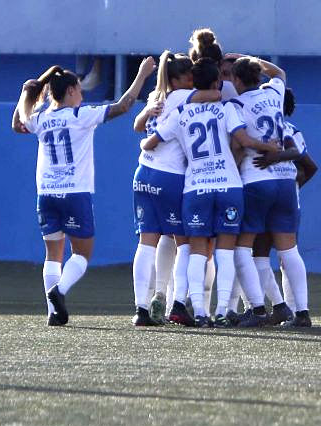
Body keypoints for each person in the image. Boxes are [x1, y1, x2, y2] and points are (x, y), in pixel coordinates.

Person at [15, 57, 156, 326]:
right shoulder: (81, 115)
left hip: (46, 194)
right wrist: (141, 75)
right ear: (70, 91)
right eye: (79, 89)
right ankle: (59, 292)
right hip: (75, 193)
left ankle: (53, 313)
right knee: (81, 254)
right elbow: (123, 106)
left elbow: (17, 124)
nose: (82, 94)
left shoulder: (42, 118)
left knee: (52, 254)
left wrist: (26, 95)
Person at [141, 58, 279, 327]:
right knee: (225, 252)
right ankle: (222, 311)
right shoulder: (226, 108)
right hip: (228, 185)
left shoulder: (180, 113)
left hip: (196, 189)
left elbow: (149, 143)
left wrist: (148, 122)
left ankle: (201, 314)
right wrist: (270, 147)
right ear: (217, 82)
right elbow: (243, 141)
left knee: (196, 252)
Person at [131, 51, 220, 326]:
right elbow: (215, 95)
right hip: (170, 177)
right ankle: (177, 304)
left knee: (146, 242)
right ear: (179, 78)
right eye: (189, 76)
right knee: (185, 243)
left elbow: (137, 127)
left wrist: (148, 110)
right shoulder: (182, 96)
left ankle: (141, 309)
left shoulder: (155, 97)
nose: (193, 80)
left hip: (143, 172)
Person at [226, 55, 307, 328]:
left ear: (236, 80)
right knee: (289, 250)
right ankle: (303, 313)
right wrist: (249, 58)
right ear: (258, 76)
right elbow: (280, 72)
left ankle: (258, 310)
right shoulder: (273, 91)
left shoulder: (235, 103)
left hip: (255, 177)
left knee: (241, 248)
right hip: (286, 179)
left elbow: (240, 142)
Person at [249, 87, 318, 328]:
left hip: (262, 190)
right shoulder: (290, 130)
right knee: (287, 254)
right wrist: (293, 185)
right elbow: (308, 165)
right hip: (287, 194)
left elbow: (308, 165)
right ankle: (298, 311)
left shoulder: (255, 123)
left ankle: (268, 307)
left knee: (255, 252)